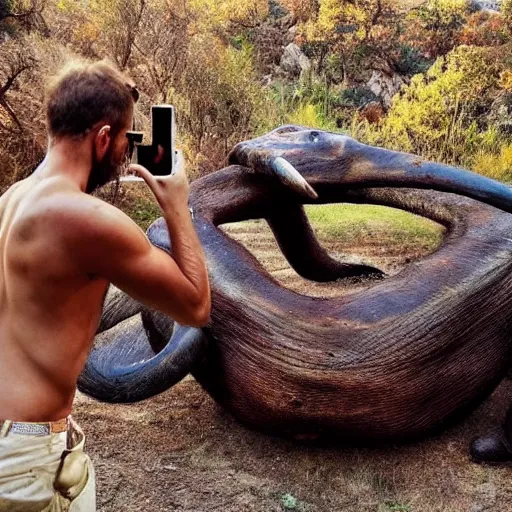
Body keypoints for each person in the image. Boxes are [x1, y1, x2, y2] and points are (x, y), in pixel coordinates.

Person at [0, 60, 211, 511]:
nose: (125, 154)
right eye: (124, 139)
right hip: (24, 456)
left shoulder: (10, 201)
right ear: (100, 138)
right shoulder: (83, 219)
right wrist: (177, 206)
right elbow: (195, 306)